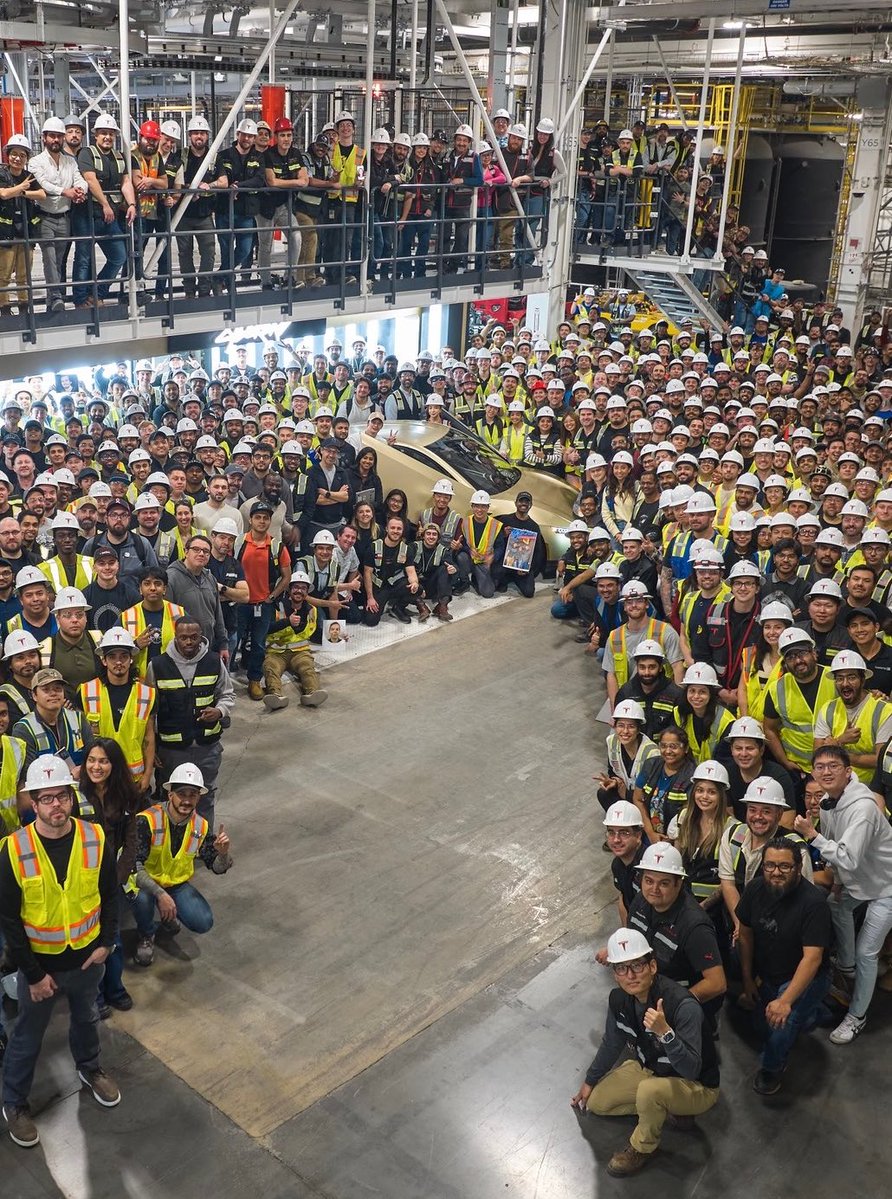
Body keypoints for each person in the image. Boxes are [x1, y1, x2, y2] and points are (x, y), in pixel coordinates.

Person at [0, 755, 120, 1148]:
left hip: (87, 960)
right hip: (41, 969)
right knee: (27, 1038)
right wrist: (32, 976)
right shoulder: (13, 850)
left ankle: (90, 1068)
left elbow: (109, 893)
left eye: (62, 797)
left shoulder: (96, 836)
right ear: (33, 804)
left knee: (86, 1020)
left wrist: (107, 943)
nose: (56, 806)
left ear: (72, 798)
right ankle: (14, 1103)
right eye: (46, 798)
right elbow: (10, 921)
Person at [571, 927, 719, 1178]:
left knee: (649, 1092)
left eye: (637, 966)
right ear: (615, 974)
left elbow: (691, 1068)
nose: (630, 975)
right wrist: (589, 1080)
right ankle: (664, 1108)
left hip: (696, 1084)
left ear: (652, 967)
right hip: (650, 1068)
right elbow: (611, 1042)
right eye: (621, 968)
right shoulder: (619, 1000)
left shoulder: (682, 1005)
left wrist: (666, 1033)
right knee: (597, 1102)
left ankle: (643, 1146)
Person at [794, 745, 892, 1046]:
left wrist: (813, 835)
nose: (825, 771)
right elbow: (840, 856)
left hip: (886, 888)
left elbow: (847, 856)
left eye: (833, 766)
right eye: (819, 766)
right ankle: (847, 965)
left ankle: (857, 1016)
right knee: (834, 905)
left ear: (848, 772)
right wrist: (836, 881)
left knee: (867, 953)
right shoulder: (828, 801)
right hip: (858, 882)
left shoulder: (861, 809)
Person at [736, 837, 832, 1095]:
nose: (776, 872)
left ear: (798, 868)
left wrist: (785, 1001)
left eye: (784, 866)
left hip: (805, 975)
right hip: (770, 972)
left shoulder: (813, 904)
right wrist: (747, 979)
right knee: (760, 1025)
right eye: (769, 865)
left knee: (779, 1025)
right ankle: (812, 1014)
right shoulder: (755, 889)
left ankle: (772, 1068)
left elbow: (812, 959)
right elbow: (745, 934)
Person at [132, 762, 232, 968]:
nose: (187, 800)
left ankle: (168, 918)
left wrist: (223, 854)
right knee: (141, 899)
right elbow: (133, 867)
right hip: (144, 882)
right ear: (170, 795)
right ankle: (146, 934)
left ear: (199, 797)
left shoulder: (200, 826)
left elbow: (217, 866)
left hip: (176, 885)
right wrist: (160, 894)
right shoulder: (147, 820)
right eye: (181, 793)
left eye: (193, 794)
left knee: (203, 921)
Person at [145, 616, 234, 828]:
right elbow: (149, 712)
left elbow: (228, 694)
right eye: (183, 638)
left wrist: (219, 712)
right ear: (175, 637)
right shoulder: (157, 666)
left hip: (207, 747)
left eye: (194, 637)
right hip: (171, 750)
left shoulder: (213, 662)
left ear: (201, 636)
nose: (188, 642)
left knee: (205, 796)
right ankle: (171, 845)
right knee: (171, 799)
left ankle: (203, 844)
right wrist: (152, 749)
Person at [77, 737, 139, 1018]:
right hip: (83, 884)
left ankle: (115, 989)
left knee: (111, 941)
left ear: (114, 764)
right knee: (89, 943)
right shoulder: (75, 796)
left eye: (103, 761)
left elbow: (131, 838)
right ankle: (97, 994)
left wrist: (118, 876)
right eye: (91, 760)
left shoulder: (125, 794)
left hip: (112, 882)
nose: (96, 766)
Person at [719, 776, 813, 946]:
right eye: (752, 809)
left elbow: (804, 899)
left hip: (779, 931)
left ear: (779, 814)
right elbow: (728, 883)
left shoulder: (795, 848)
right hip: (737, 924)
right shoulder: (732, 835)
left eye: (766, 811)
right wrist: (741, 924)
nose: (758, 817)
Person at [79, 627, 156, 790]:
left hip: (134, 779)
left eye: (124, 656)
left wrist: (148, 775)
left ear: (131, 659)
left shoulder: (147, 694)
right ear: (104, 660)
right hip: (98, 779)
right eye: (112, 657)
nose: (118, 662)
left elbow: (149, 739)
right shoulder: (86, 692)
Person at [74, 113, 136, 308]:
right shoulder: (86, 153)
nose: (107, 137)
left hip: (109, 217)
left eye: (111, 133)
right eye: (103, 133)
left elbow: (126, 182)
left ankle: (98, 292)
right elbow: (90, 179)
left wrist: (132, 204)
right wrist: (105, 204)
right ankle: (80, 299)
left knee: (119, 256)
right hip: (87, 215)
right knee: (83, 258)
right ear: (96, 135)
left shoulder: (118, 157)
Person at [813, 649, 892, 783]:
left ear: (862, 680)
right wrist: (840, 741)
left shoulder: (884, 710)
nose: (845, 683)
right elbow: (818, 753)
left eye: (851, 677)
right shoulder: (828, 709)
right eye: (839, 678)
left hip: (872, 789)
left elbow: (881, 759)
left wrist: (837, 749)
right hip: (837, 787)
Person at [262, 568, 328, 711]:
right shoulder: (275, 606)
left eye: (303, 588)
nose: (299, 591)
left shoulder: (312, 610)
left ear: (307, 592)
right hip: (276, 652)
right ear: (289, 589)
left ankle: (312, 693)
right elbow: (266, 629)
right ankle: (276, 696)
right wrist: (287, 622)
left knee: (308, 669)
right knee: (270, 669)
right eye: (296, 587)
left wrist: (336, 637)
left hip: (300, 652)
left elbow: (314, 633)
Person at [11, 666, 93, 775]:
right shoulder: (23, 728)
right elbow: (26, 774)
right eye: (46, 689)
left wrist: (83, 770)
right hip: (44, 789)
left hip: (81, 787)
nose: (53, 693)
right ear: (34, 695)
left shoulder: (78, 718)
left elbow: (93, 756)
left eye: (58, 688)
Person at [164, 534, 229, 662]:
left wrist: (223, 645)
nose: (201, 554)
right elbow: (166, 618)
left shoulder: (210, 578)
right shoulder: (170, 578)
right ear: (186, 551)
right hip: (181, 651)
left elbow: (217, 615)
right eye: (196, 549)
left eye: (206, 551)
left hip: (208, 647)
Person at [632, 724, 696, 842]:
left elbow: (689, 814)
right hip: (648, 833)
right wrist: (651, 833)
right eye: (663, 746)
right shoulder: (650, 765)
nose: (668, 751)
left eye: (674, 746)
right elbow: (637, 799)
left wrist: (670, 839)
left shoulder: (693, 776)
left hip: (677, 839)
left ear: (686, 748)